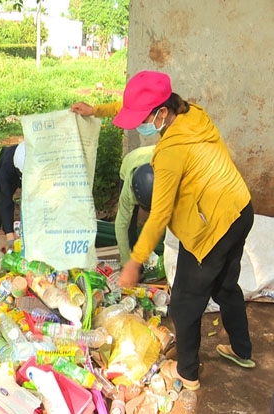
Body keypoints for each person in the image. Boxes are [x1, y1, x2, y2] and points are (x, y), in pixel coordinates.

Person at [111, 70, 255, 390]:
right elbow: (135, 106)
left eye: (143, 118)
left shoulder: (170, 153)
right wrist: (99, 110)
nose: (140, 126)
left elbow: (159, 214)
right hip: (240, 209)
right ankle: (242, 350)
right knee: (225, 286)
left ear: (162, 113)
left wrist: (134, 262)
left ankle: (187, 373)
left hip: (212, 229)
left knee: (184, 303)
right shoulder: (192, 112)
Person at [115, 146, 155, 266]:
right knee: (130, 225)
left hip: (154, 161)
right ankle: (134, 260)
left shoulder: (170, 170)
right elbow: (121, 225)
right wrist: (127, 264)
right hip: (130, 161)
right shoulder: (129, 191)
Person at [0, 142, 25, 248]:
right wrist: (9, 236)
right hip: (8, 172)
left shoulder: (36, 158)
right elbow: (5, 200)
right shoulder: (6, 167)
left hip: (32, 175)